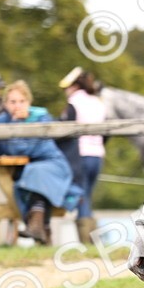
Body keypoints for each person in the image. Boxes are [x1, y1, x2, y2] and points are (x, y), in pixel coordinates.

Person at [0, 80, 77, 245]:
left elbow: (25, 149)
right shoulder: (0, 121)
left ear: (29, 102)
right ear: (5, 103)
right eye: (12, 102)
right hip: (25, 170)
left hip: (52, 165)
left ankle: (37, 227)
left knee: (36, 174)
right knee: (29, 177)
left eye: (22, 101)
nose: (17, 106)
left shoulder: (41, 118)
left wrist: (17, 124)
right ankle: (42, 230)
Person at [59, 66, 106, 245]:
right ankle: (92, 239)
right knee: (87, 196)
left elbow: (65, 131)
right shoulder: (98, 102)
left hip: (80, 155)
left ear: (73, 86)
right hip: (97, 154)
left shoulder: (74, 103)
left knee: (81, 197)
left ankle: (87, 241)